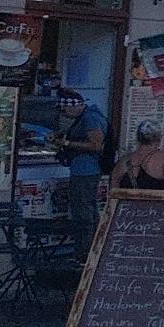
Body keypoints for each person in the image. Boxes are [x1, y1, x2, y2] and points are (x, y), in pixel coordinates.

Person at [52, 89, 109, 232]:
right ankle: (91, 240)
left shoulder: (90, 118)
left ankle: (86, 243)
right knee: (86, 209)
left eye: (64, 110)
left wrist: (67, 143)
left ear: (73, 106)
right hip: (83, 169)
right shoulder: (84, 117)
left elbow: (96, 145)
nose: (63, 114)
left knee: (83, 211)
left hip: (86, 170)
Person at [112, 119, 164, 192]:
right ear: (159, 139)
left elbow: (113, 189)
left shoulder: (123, 161)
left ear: (138, 138)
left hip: (126, 199)